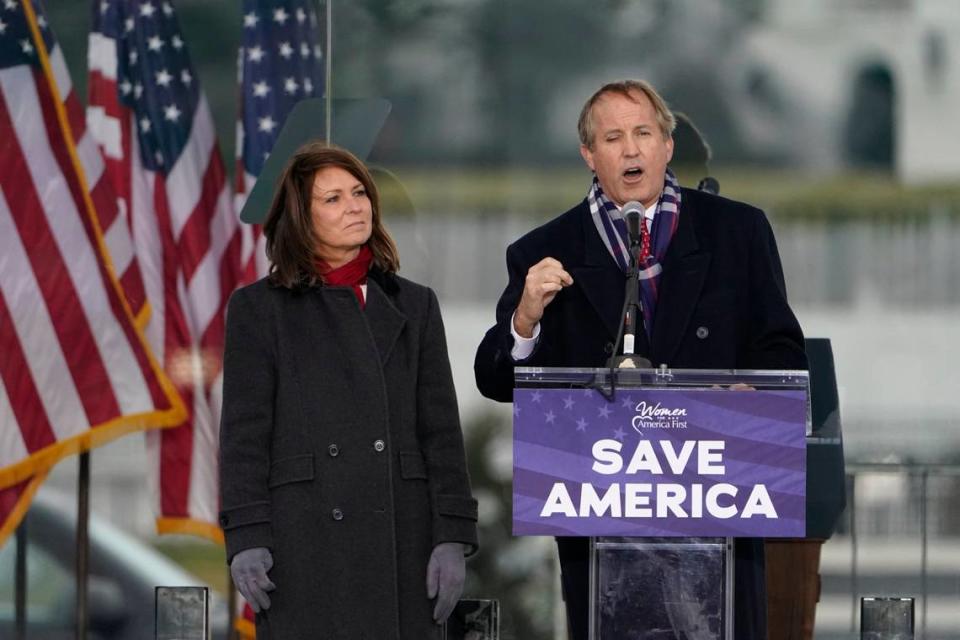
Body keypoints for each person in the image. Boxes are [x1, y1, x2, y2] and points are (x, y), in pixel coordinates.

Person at [474, 80, 806, 639]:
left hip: (715, 497)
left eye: (643, 133)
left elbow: (782, 350)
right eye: (613, 137)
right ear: (589, 154)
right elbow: (495, 378)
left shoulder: (737, 232)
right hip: (604, 514)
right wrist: (525, 318)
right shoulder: (543, 250)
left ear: (667, 145)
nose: (631, 150)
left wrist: (755, 395)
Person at [219, 142, 479, 638]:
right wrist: (246, 535)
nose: (355, 205)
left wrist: (452, 534)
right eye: (333, 199)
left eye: (359, 192)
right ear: (301, 216)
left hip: (404, 541)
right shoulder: (258, 310)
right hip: (304, 543)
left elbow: (442, 432)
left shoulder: (416, 305)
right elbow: (243, 437)